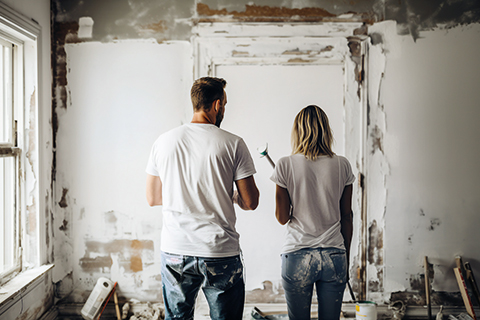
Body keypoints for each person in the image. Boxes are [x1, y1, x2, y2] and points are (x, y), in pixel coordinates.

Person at [145, 77, 259, 320]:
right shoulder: (233, 143)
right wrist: (230, 195)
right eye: (225, 104)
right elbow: (251, 202)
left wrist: (184, 193)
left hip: (175, 250)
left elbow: (153, 197)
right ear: (217, 105)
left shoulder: (163, 141)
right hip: (219, 251)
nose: (224, 110)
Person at [270, 105, 354, 320]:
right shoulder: (342, 165)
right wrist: (345, 255)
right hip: (334, 253)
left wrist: (289, 190)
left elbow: (282, 218)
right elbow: (347, 216)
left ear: (297, 131)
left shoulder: (284, 164)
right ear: (326, 130)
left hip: (297, 253)